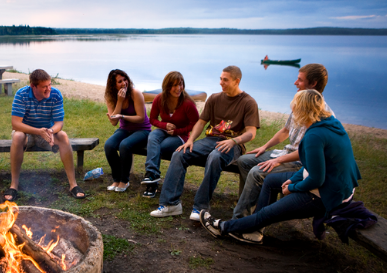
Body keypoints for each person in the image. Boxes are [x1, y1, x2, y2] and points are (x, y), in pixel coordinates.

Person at [200, 89, 361, 245]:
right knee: (269, 181)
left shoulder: (314, 136)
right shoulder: (330, 123)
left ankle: (222, 227)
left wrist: (293, 187)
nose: (293, 114)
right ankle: (253, 231)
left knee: (268, 212)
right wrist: (293, 180)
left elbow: (316, 179)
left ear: (302, 111)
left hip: (328, 194)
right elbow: (310, 167)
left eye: (295, 109)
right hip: (333, 182)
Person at [151, 66, 259, 219]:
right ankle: (171, 204)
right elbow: (201, 122)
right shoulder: (214, 98)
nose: (221, 82)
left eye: (225, 80)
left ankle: (200, 208)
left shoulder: (248, 102)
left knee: (215, 157)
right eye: (220, 79)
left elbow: (251, 132)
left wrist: (234, 141)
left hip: (233, 145)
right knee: (179, 153)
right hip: (210, 140)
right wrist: (190, 140)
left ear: (237, 81)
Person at [232, 64, 333, 219]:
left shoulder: (322, 114)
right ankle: (251, 208)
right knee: (244, 161)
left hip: (301, 162)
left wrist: (279, 160)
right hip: (286, 152)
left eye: (300, 80)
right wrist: (264, 146)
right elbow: (286, 130)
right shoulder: (301, 103)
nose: (295, 83)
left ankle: (240, 219)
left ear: (313, 84)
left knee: (257, 172)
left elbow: (307, 153)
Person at [6, 69, 85, 201]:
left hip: (48, 133)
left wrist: (51, 131)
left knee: (63, 136)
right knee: (17, 136)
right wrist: (38, 131)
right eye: (44, 86)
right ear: (33, 86)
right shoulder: (22, 94)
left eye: (49, 85)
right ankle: (14, 185)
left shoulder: (55, 94)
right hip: (27, 134)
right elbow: (15, 124)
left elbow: (59, 123)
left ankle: (73, 184)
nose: (48, 89)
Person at [141, 71, 199, 198]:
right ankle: (152, 174)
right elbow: (153, 119)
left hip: (181, 136)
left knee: (160, 147)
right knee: (153, 136)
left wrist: (178, 131)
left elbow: (196, 124)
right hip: (164, 130)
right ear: (167, 86)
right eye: (174, 85)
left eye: (180, 84)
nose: (178, 88)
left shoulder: (188, 103)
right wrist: (164, 125)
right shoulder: (160, 99)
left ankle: (152, 185)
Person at [104, 69, 151, 192]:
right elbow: (114, 122)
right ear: (113, 85)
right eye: (120, 81)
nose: (124, 83)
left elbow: (141, 118)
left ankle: (124, 181)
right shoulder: (111, 97)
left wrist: (123, 116)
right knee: (109, 145)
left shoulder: (136, 93)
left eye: (125, 79)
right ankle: (116, 179)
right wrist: (119, 101)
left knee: (125, 145)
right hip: (124, 129)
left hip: (142, 130)